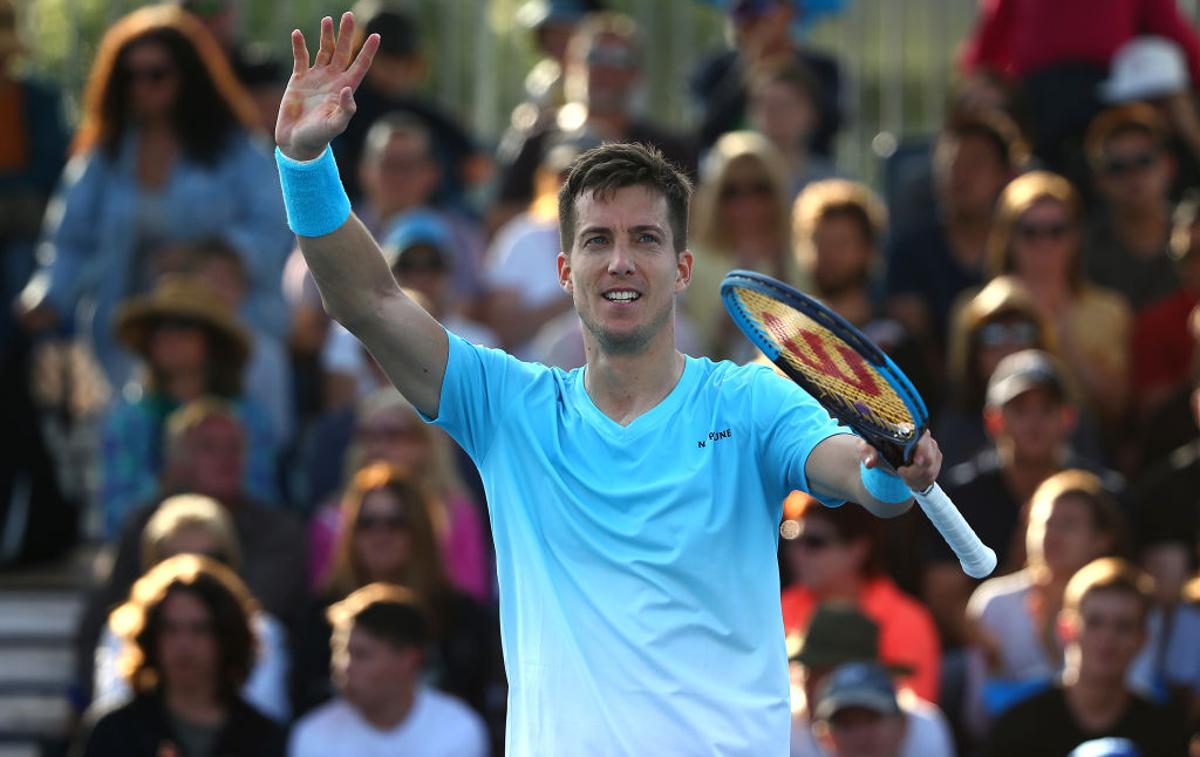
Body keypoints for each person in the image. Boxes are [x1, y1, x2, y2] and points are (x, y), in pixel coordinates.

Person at [274, 12, 944, 753]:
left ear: (683, 268)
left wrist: (888, 468)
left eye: (646, 239)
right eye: (597, 240)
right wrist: (305, 168)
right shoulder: (508, 407)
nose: (620, 261)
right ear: (565, 271)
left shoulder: (750, 400)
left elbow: (855, 472)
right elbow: (367, 300)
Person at [17, 4, 291, 391]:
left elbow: (276, 227)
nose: (141, 86)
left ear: (188, 76)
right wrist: (45, 297)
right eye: (129, 76)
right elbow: (68, 240)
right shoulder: (104, 156)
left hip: (221, 335)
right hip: (121, 338)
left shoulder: (236, 151)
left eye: (156, 74)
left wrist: (211, 254)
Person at [923, 349, 1120, 650]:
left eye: (1046, 409)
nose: (1034, 423)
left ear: (1068, 418)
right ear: (994, 421)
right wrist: (994, 643)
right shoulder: (958, 498)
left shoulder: (1105, 494)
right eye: (1020, 410)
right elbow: (944, 596)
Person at [292, 462, 501, 736]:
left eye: (396, 522)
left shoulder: (462, 617)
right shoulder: (318, 617)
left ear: (420, 530)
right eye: (367, 523)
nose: (381, 534)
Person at [101, 275, 277, 539]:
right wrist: (169, 483)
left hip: (239, 547)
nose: (167, 336)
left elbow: (261, 499)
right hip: (146, 549)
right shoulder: (127, 418)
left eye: (183, 326)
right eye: (158, 328)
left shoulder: (250, 418)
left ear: (211, 341)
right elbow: (116, 513)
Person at [92, 494, 291, 723]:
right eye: (173, 559)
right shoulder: (124, 630)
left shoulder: (263, 632)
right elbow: (112, 715)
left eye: (210, 559)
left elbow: (263, 723)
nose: (191, 571)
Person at [492, 11, 696, 227]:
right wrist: (555, 207)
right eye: (593, 56)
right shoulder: (537, 140)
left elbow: (696, 224)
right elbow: (497, 222)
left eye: (618, 59)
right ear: (572, 64)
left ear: (636, 73)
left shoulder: (669, 149)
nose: (603, 69)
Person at [76, 554, 286, 757]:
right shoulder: (114, 732)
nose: (184, 644)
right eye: (170, 629)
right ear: (150, 637)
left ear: (227, 636)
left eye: (200, 629)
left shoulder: (262, 738)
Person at [965, 470, 1125, 735]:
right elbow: (978, 718)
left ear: (1101, 539)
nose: (1053, 534)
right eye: (1044, 523)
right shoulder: (993, 603)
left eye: (1069, 524)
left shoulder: (1125, 604)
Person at [983, 557, 1190, 756]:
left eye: (1124, 626)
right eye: (1094, 622)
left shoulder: (1165, 733)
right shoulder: (1019, 727)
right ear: (1067, 629)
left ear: (1143, 638)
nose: (1108, 637)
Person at [984, 171, 1132, 430]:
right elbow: (968, 400)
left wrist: (1064, 337)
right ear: (1007, 238)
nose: (1044, 243)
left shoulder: (1110, 310)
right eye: (1030, 231)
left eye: (1056, 231)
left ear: (1076, 237)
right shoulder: (979, 309)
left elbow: (1117, 411)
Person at [289, 582, 488, 757]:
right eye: (340, 652)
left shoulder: (457, 729)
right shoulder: (312, 734)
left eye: (361, 654)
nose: (344, 666)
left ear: (409, 660)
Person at [780, 494, 941, 702]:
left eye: (814, 543)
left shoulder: (907, 619)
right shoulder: (780, 609)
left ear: (858, 549)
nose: (796, 553)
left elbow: (913, 710)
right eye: (791, 536)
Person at [884, 111, 1022, 353]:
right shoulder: (910, 249)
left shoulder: (1025, 242)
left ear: (1004, 175)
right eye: (951, 163)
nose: (961, 175)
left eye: (976, 164)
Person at [685, 129, 794, 360]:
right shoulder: (691, 264)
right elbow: (703, 351)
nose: (748, 203)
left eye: (760, 189)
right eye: (732, 192)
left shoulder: (800, 256)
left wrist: (781, 271)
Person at [788, 605, 953, 757]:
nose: (860, 735)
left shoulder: (923, 725)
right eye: (846, 723)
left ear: (900, 725)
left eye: (824, 672)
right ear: (826, 736)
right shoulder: (784, 726)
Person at [691, 0, 843, 157]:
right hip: (737, 171)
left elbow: (831, 125)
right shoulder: (716, 69)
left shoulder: (823, 69)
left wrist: (791, 70)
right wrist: (745, 66)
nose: (756, 20)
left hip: (806, 169)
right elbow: (706, 130)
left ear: (791, 12)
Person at [1083, 104, 1180, 311]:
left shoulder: (1193, 236)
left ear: (1169, 166)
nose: (1132, 175)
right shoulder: (1080, 251)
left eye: (1143, 161)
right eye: (1117, 167)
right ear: (1098, 181)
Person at [747, 60, 841, 198]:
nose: (776, 117)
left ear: (812, 113)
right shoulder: (728, 185)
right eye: (768, 106)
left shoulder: (835, 187)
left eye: (786, 106)